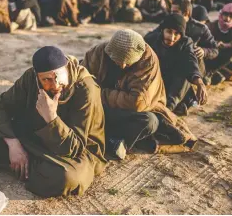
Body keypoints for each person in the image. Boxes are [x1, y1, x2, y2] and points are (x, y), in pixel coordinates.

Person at [0, 46, 107, 197]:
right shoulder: (31, 78)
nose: (55, 85)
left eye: (58, 77)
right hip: (35, 137)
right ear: (37, 77)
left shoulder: (86, 89)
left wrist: (51, 118)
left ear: (66, 68)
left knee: (68, 177)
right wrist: (13, 144)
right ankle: (28, 164)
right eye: (46, 80)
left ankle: (25, 166)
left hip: (75, 152)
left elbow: (74, 148)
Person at [82, 29, 198, 159]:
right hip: (98, 108)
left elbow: (137, 102)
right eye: (118, 60)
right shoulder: (99, 52)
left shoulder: (148, 62)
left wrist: (99, 93)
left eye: (128, 61)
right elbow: (82, 81)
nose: (123, 65)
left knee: (150, 121)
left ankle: (112, 139)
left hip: (128, 112)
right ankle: (111, 140)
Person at [145, 14, 208, 115]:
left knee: (184, 69)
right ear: (162, 30)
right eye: (169, 31)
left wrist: (199, 82)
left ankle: (168, 108)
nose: (172, 37)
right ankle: (182, 103)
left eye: (177, 34)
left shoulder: (186, 42)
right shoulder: (150, 40)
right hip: (158, 79)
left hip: (177, 80)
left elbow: (190, 61)